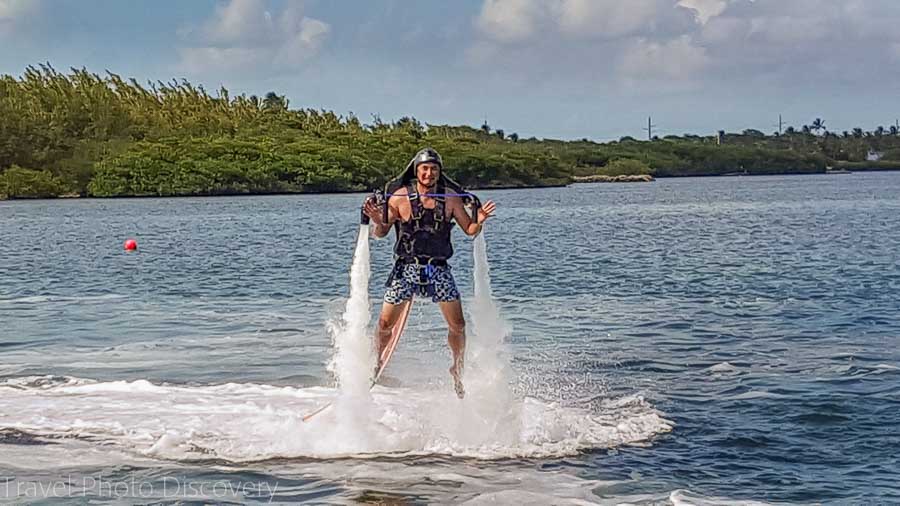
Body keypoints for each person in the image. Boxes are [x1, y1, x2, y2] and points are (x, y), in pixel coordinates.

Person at [363, 147, 496, 399]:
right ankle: (376, 362)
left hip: (438, 269)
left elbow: (470, 230)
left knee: (458, 325)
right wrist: (376, 220)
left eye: (434, 169)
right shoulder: (400, 197)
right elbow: (381, 232)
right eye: (425, 168)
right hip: (406, 269)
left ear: (439, 172)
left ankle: (457, 368)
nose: (429, 173)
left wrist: (480, 218)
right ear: (417, 171)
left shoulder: (450, 199)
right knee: (383, 324)